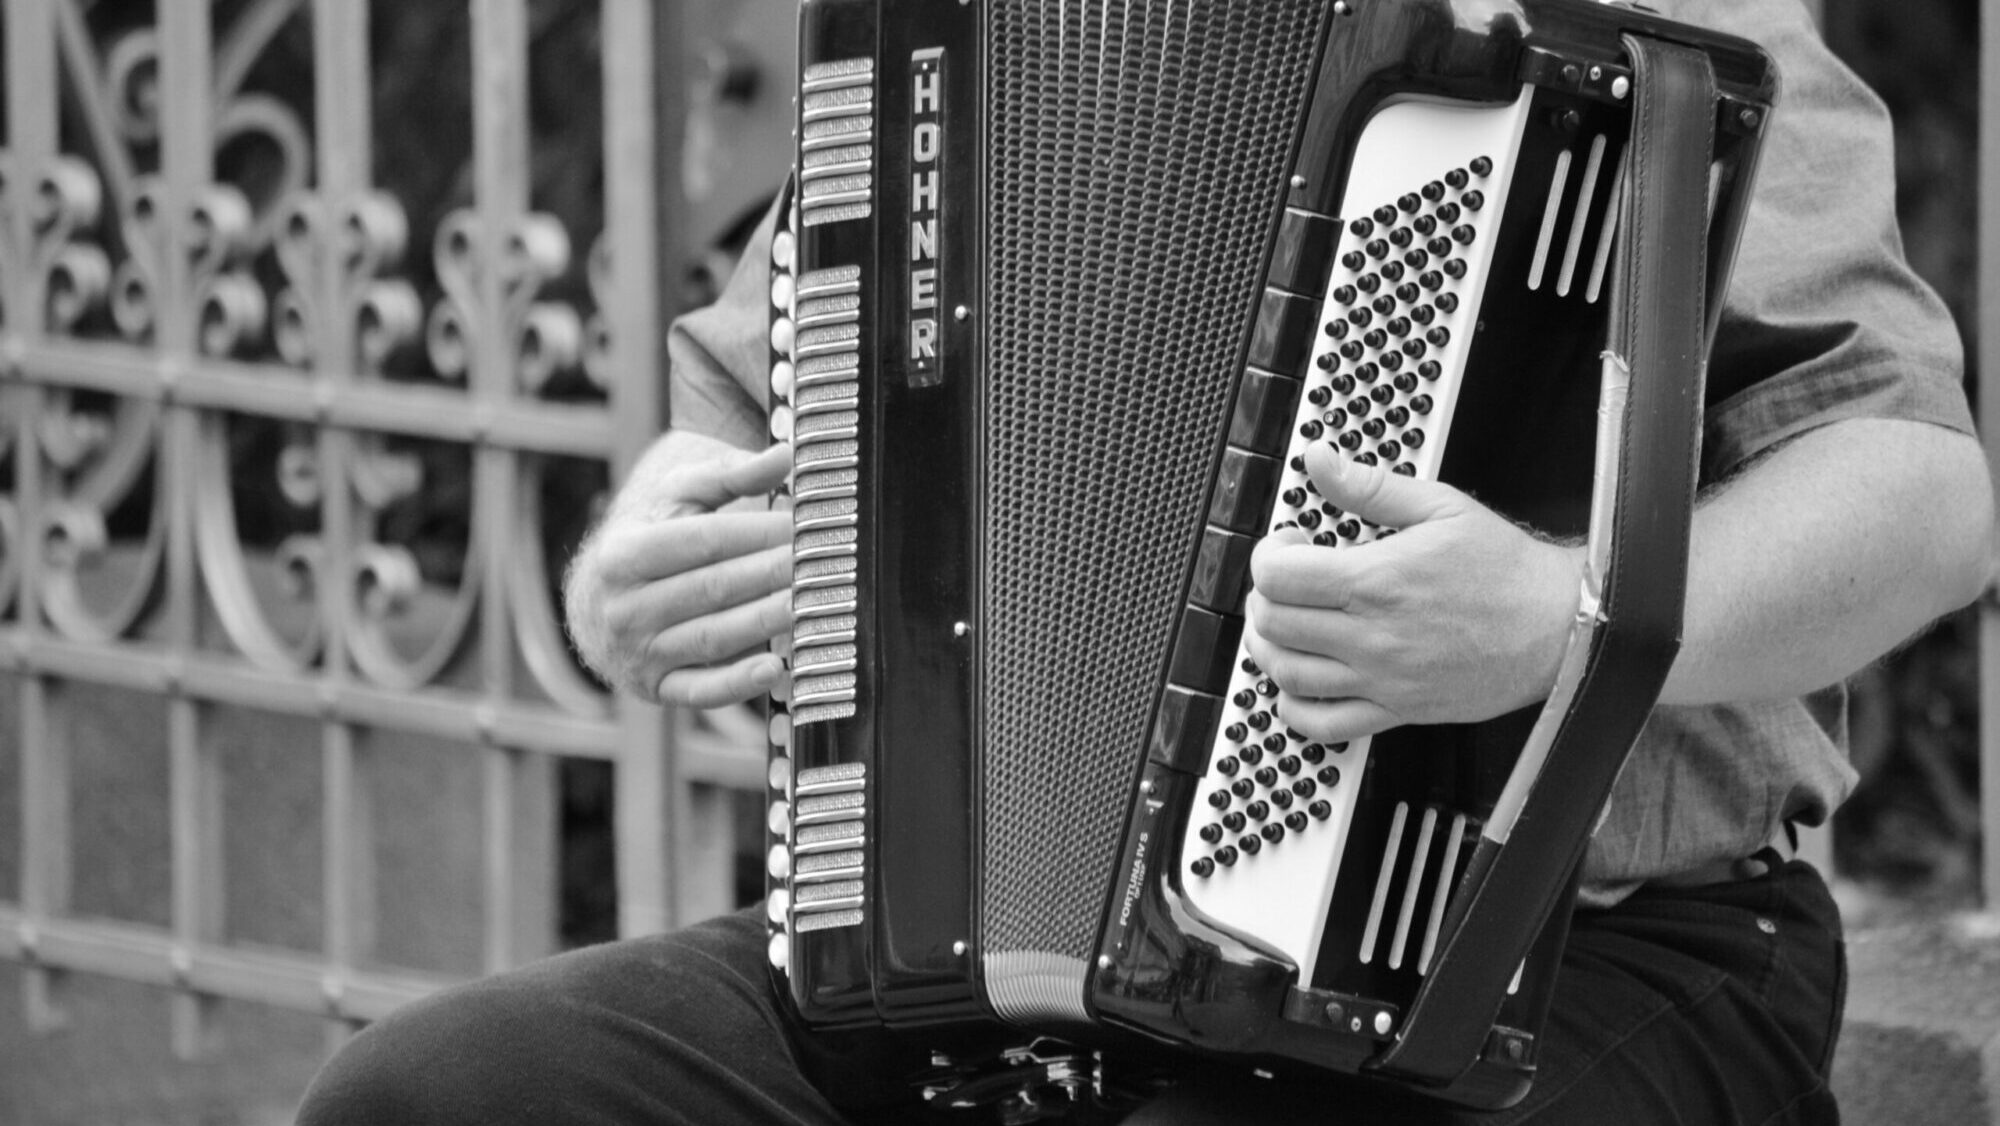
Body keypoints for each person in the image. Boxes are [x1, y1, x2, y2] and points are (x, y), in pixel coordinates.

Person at [294, 0, 1993, 1122]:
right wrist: (639, 565)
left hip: (1583, 948)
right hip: (979, 957)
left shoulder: (1665, 9)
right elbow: (745, 414)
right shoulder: (981, 32)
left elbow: (1918, 490)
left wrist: (1559, 619)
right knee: (441, 1093)